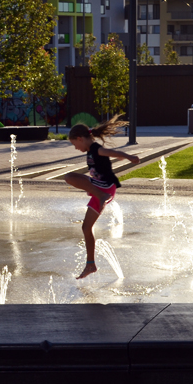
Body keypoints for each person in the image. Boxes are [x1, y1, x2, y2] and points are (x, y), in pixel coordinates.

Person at [65, 115, 139, 279]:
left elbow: (110, 151)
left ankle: (100, 195)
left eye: (74, 144)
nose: (76, 148)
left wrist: (128, 157)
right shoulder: (90, 151)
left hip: (105, 188)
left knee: (69, 177)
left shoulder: (96, 149)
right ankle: (90, 264)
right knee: (86, 228)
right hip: (100, 188)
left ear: (80, 138)